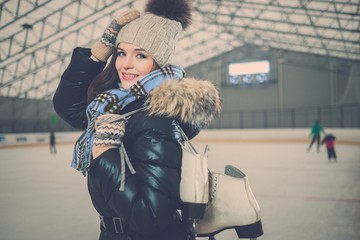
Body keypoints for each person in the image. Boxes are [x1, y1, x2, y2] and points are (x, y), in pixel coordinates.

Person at [53, 0, 221, 239]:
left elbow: (148, 217)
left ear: (158, 62)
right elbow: (68, 107)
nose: (125, 64)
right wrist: (99, 52)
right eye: (121, 53)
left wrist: (105, 151)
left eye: (140, 55)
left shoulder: (155, 118)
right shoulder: (120, 103)